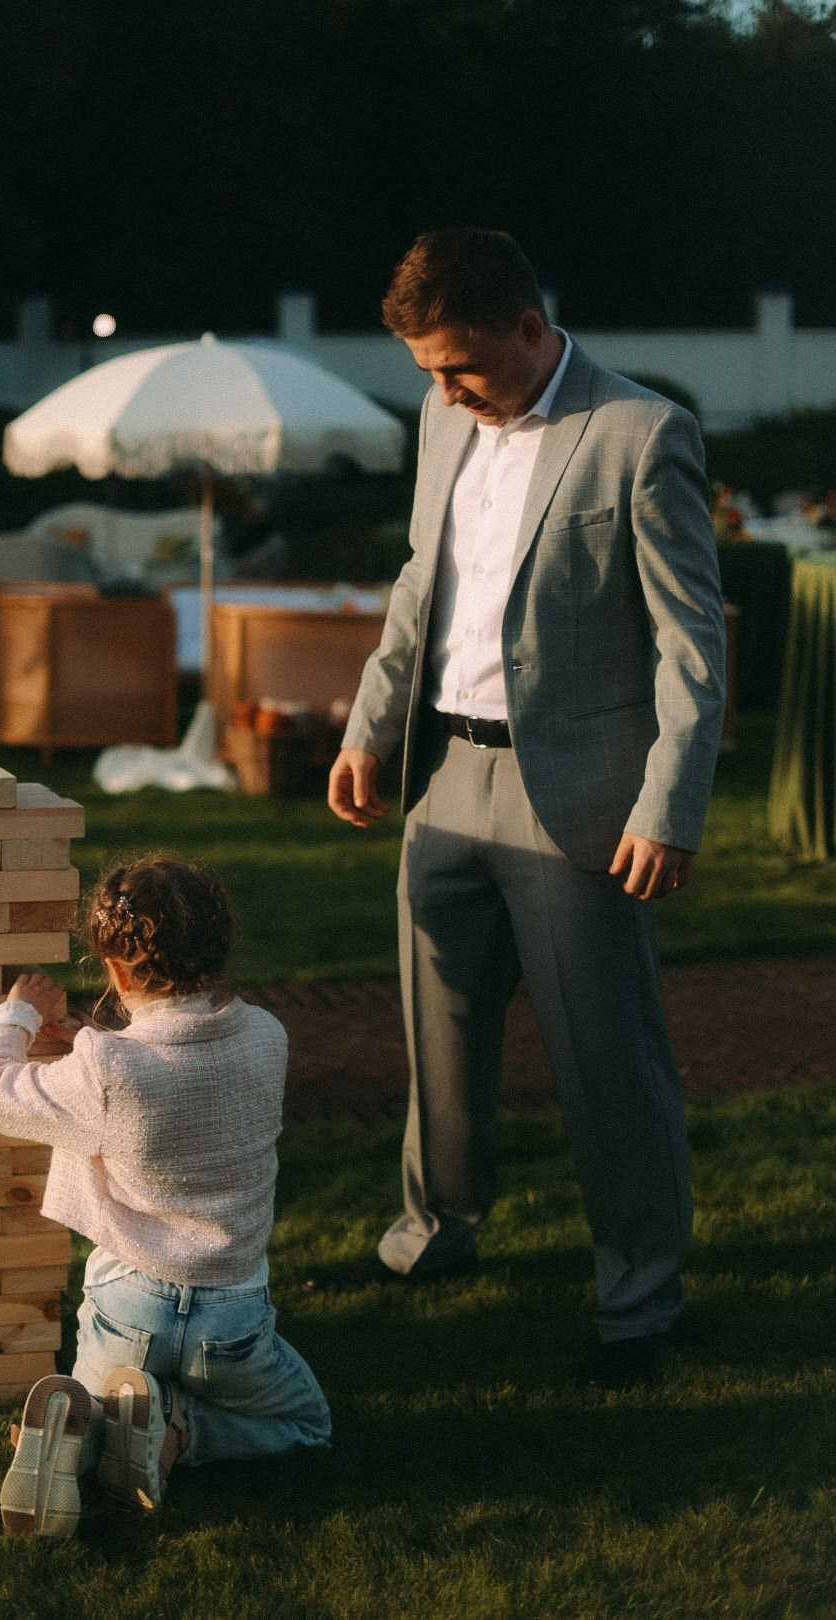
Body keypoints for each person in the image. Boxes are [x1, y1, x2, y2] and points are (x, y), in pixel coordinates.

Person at [325, 229, 726, 1390]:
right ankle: (432, 1234)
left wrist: (669, 804)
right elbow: (419, 583)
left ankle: (641, 1303)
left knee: (609, 1063)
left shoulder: (644, 436)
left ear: (527, 325)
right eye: (426, 377)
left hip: (582, 804)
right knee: (437, 1041)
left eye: (459, 368)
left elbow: (691, 649)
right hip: (440, 783)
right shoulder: (446, 419)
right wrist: (367, 727)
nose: (443, 394)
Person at [0, 856, 331, 1538]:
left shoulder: (105, 1069)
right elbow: (188, 1076)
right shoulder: (267, 1037)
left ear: (119, 971)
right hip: (230, 1323)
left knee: (120, 1391)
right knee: (303, 1426)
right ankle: (179, 1436)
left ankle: (85, 1437)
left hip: (125, 1314)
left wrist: (17, 1014)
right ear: (217, 952)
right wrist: (91, 1046)